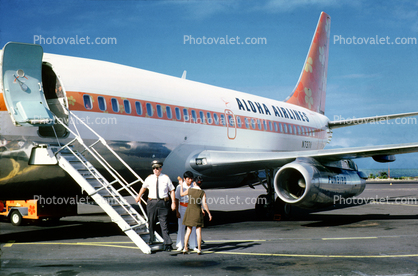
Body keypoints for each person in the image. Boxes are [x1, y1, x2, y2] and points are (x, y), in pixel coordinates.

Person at [136, 160, 176, 252]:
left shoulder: (166, 178)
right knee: (151, 222)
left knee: (164, 223)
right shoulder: (149, 178)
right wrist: (138, 196)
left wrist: (173, 202)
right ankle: (151, 239)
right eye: (154, 168)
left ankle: (168, 243)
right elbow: (144, 187)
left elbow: (172, 190)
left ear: (161, 168)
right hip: (152, 203)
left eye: (157, 168)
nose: (155, 170)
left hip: (163, 203)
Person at [180, 175, 212, 255]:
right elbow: (204, 204)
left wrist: (181, 184)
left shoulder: (189, 190)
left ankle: (185, 248)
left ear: (194, 182)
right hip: (198, 212)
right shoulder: (202, 192)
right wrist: (209, 213)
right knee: (198, 231)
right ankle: (199, 249)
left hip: (189, 211)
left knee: (188, 231)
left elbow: (181, 194)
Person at [175, 171, 197, 251]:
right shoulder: (179, 187)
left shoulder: (194, 186)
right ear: (184, 179)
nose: (190, 180)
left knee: (193, 226)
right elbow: (177, 199)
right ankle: (180, 244)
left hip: (192, 207)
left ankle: (193, 245)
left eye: (191, 179)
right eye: (188, 179)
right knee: (181, 226)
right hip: (182, 207)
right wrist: (177, 211)